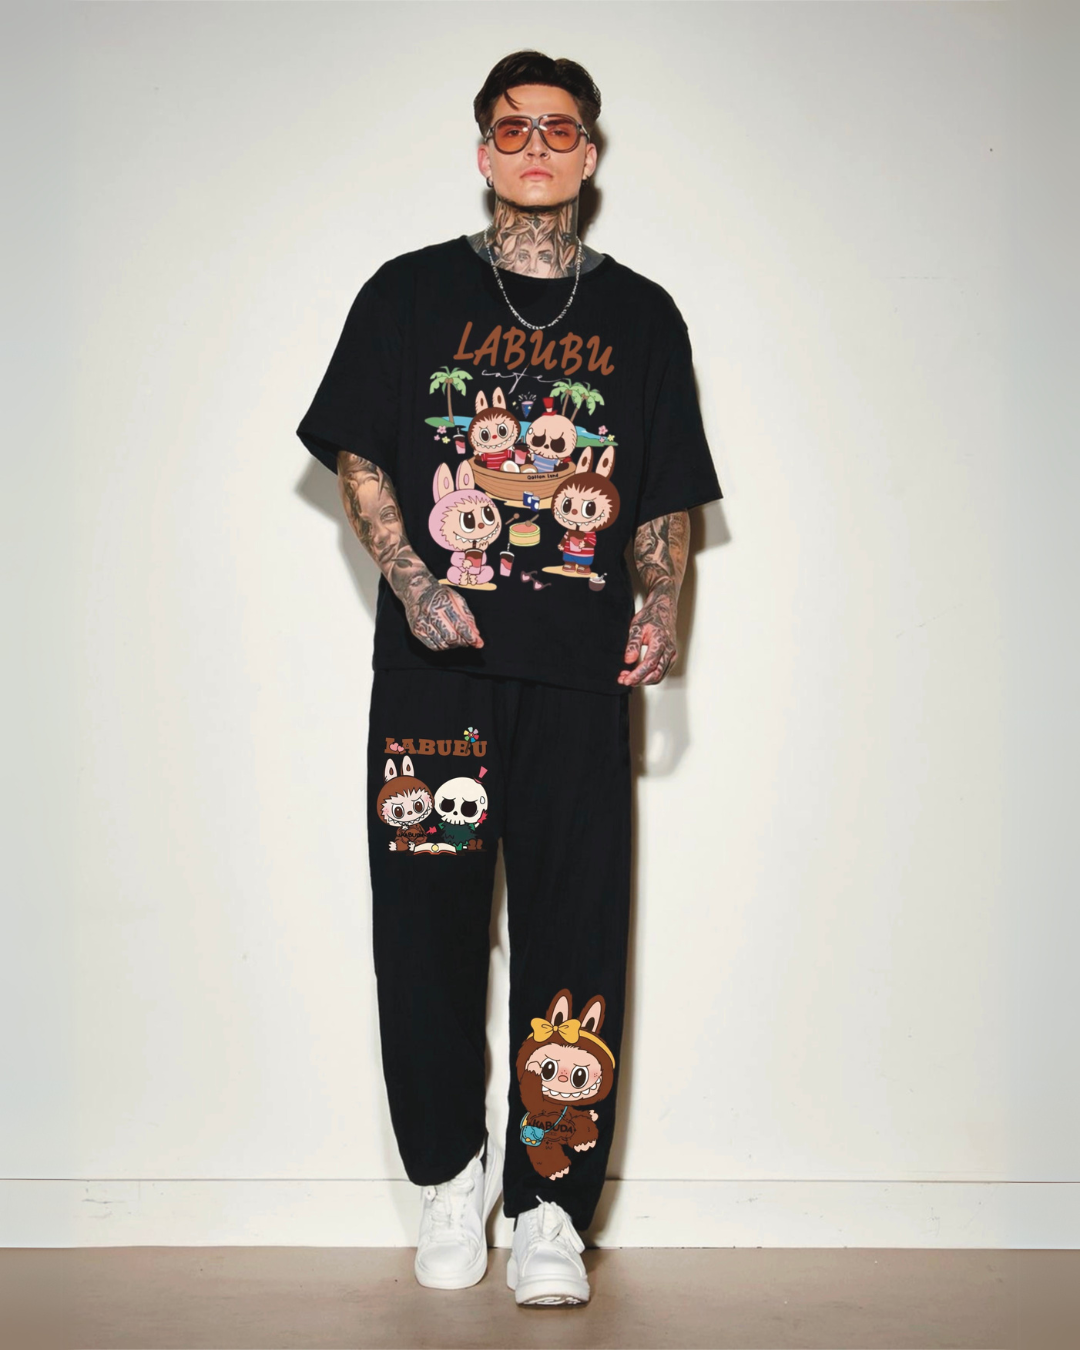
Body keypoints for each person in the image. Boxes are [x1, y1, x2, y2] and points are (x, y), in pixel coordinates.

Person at [296, 50, 722, 1307]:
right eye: (513, 127)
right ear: (484, 151)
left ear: (590, 155)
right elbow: (363, 458)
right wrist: (412, 576)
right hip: (435, 675)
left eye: (560, 128)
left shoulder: (642, 317)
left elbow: (663, 489)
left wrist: (662, 604)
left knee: (574, 934)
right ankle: (448, 1177)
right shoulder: (408, 294)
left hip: (580, 684)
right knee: (424, 928)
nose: (537, 146)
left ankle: (548, 1208)